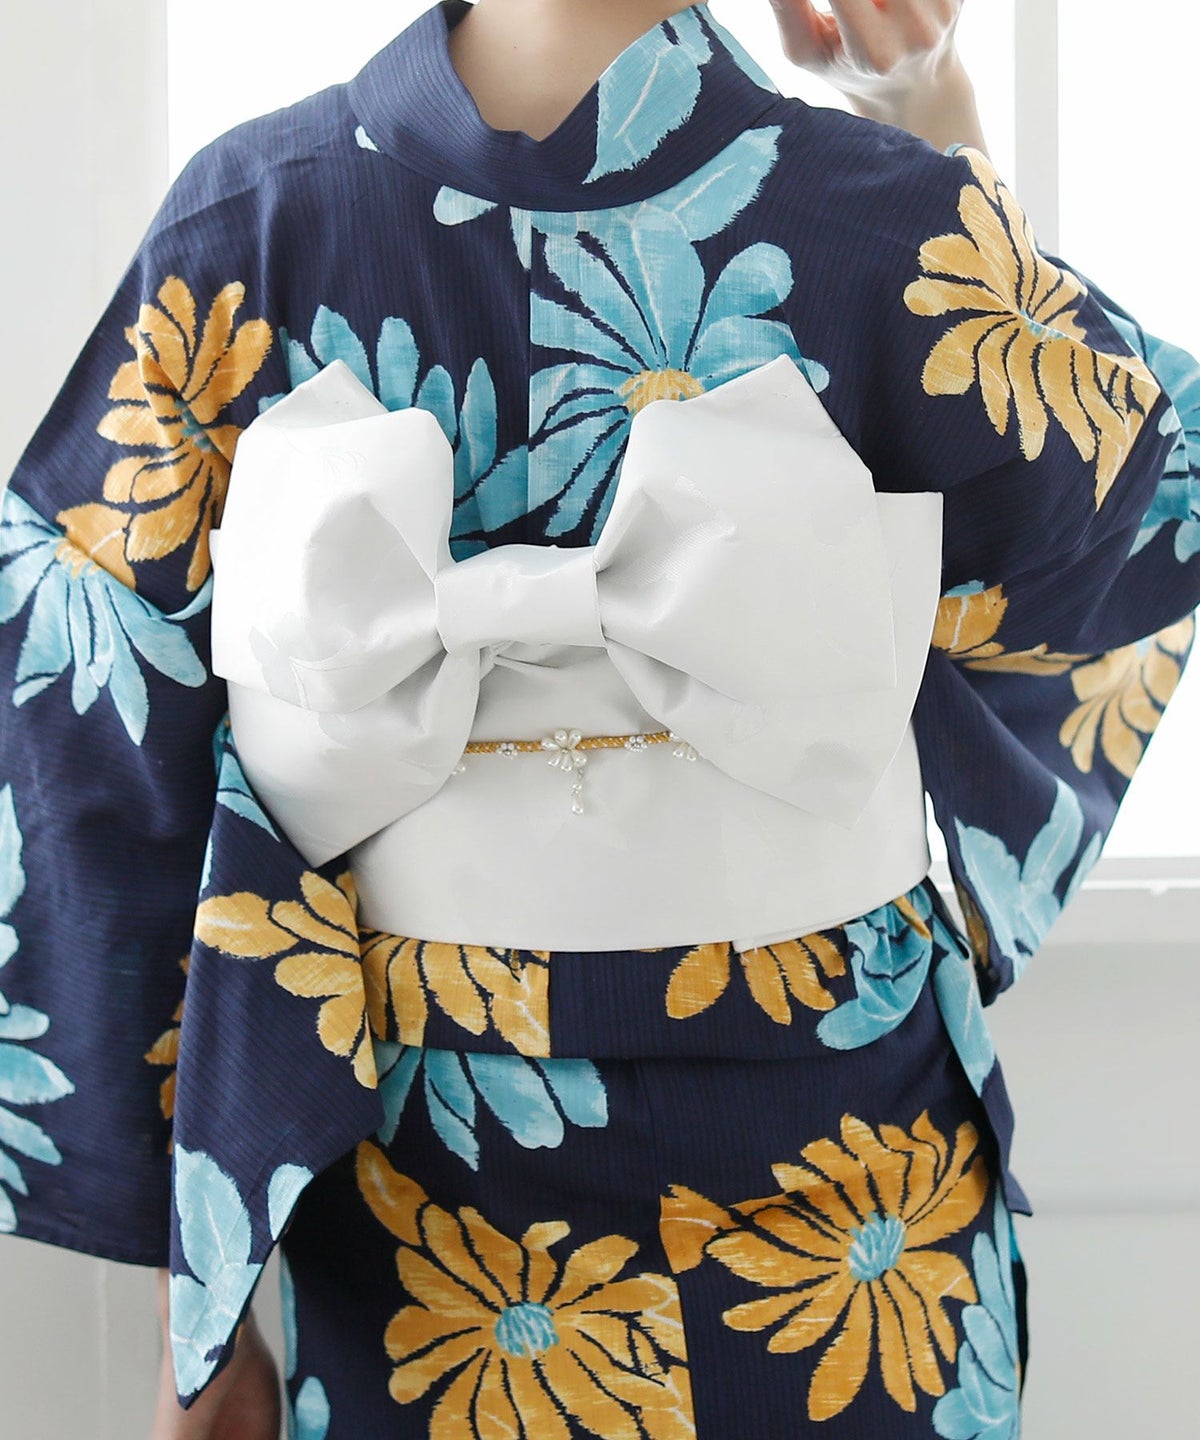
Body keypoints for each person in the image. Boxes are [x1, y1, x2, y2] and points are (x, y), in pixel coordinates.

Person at [0, 2, 1195, 1437]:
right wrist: (940, 125)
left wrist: (194, 1313)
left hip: (459, 1197)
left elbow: (102, 751)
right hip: (808, 1195)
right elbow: (1140, 507)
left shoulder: (249, 223)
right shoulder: (893, 216)